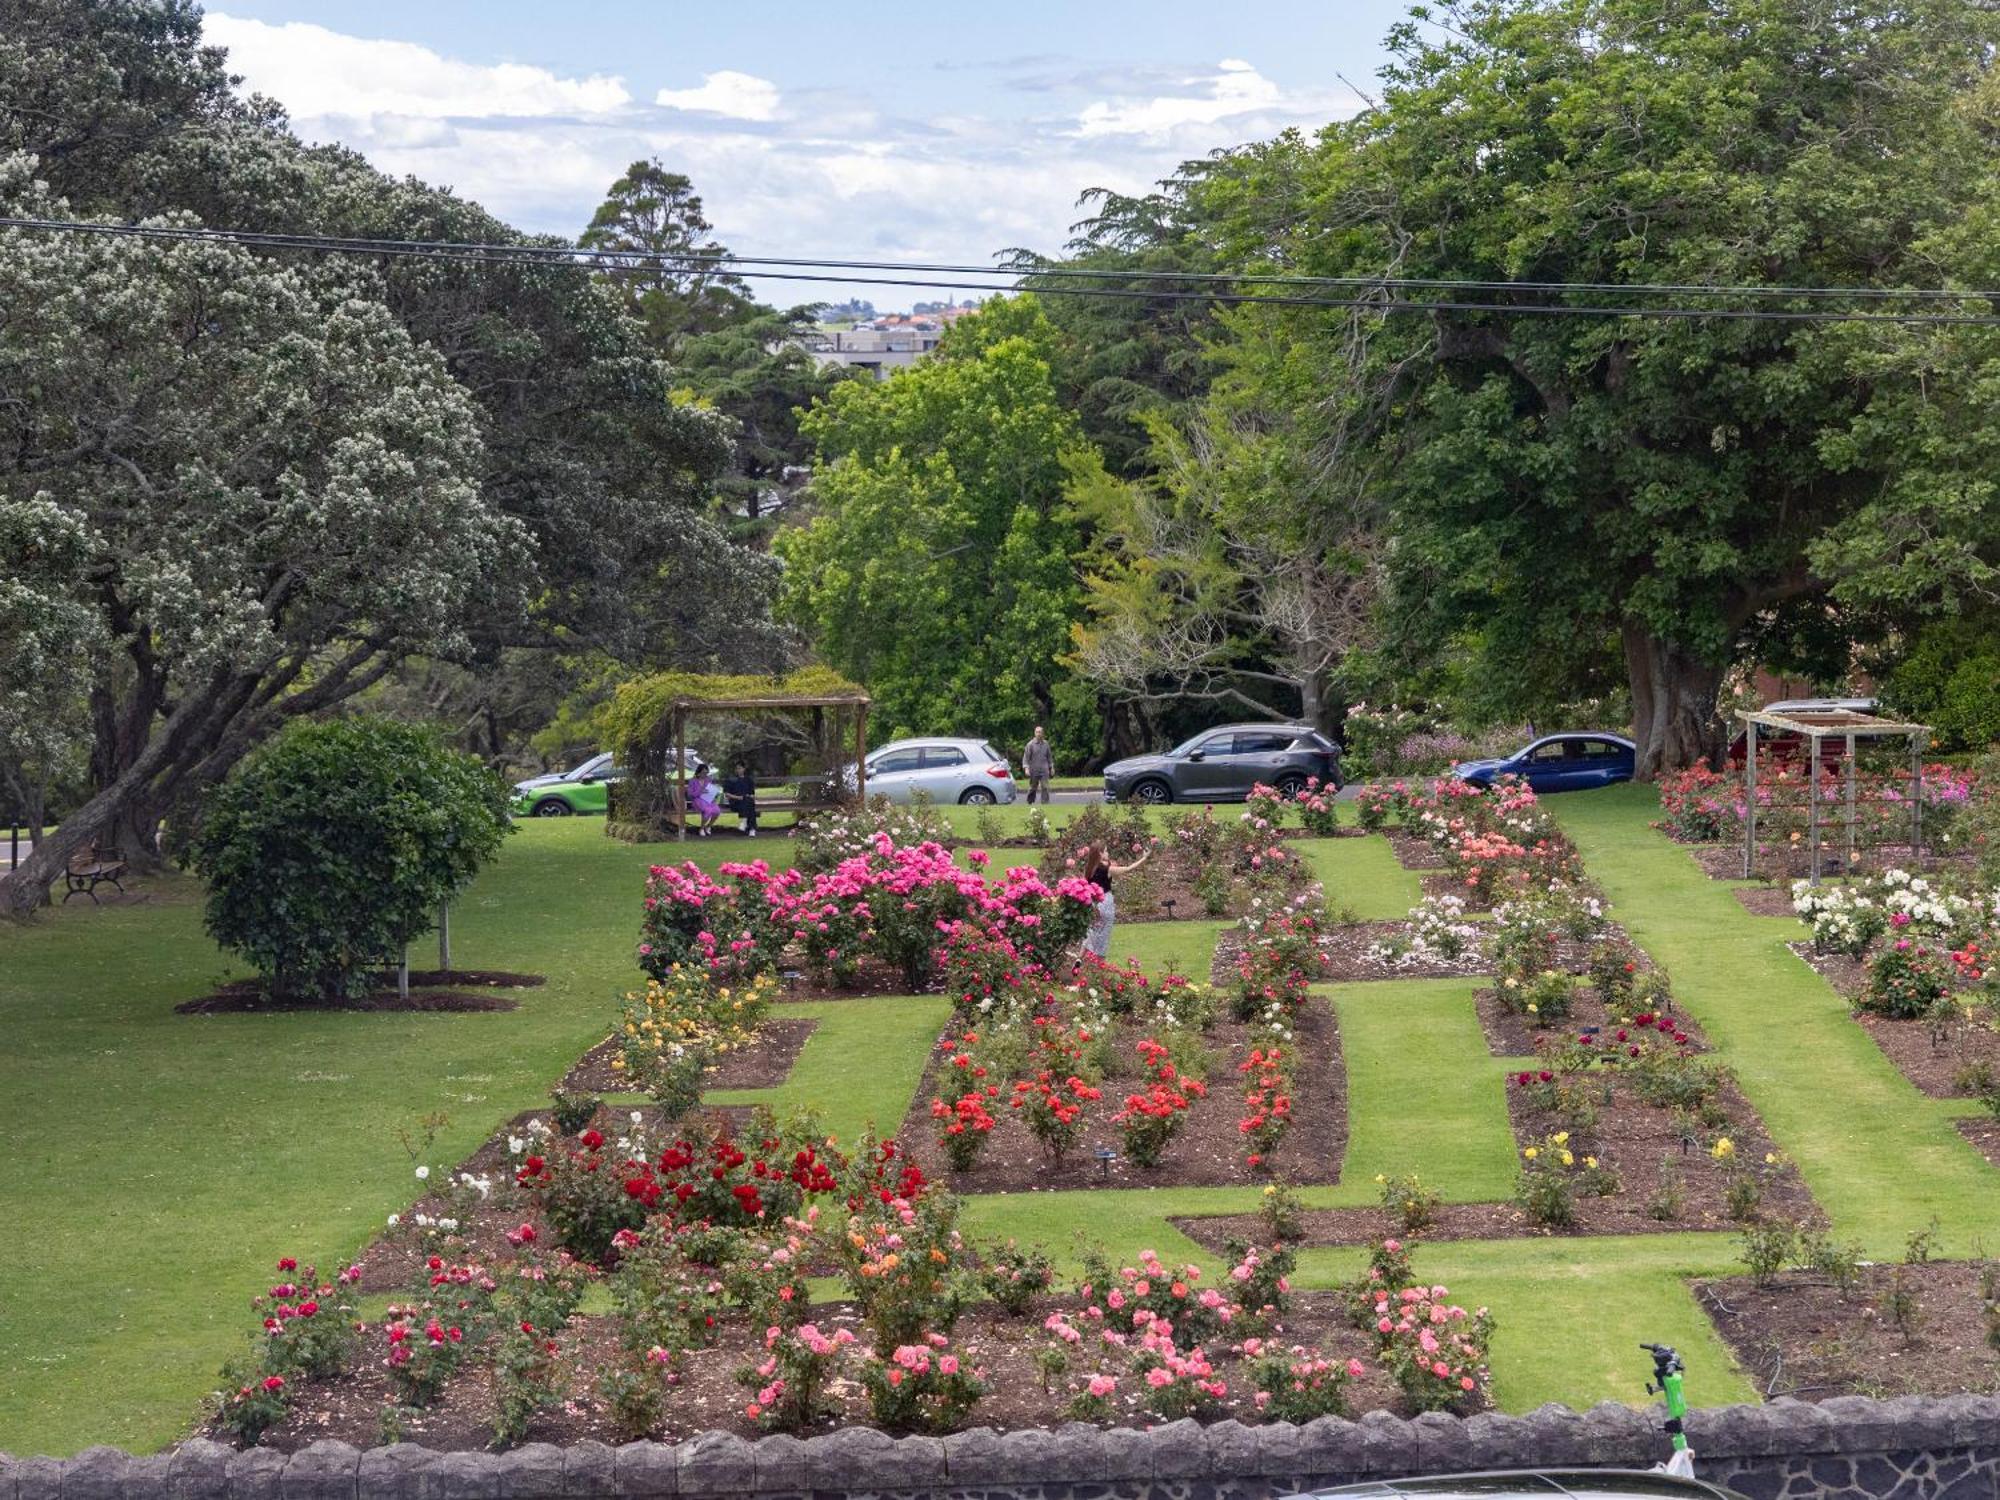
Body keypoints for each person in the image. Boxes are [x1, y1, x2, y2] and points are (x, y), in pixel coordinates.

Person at [1075, 840, 1151, 961]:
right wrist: (1144, 858)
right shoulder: (1107, 870)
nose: (1108, 853)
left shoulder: (1089, 869)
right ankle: (1099, 968)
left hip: (1093, 905)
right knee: (1103, 936)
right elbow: (1128, 869)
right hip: (1106, 903)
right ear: (1100, 853)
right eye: (1106, 851)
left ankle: (1079, 959)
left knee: (1091, 932)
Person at [722, 761, 759, 838]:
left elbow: (752, 794)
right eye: (736, 768)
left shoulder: (748, 780)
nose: (738, 770)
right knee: (749, 804)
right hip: (735, 803)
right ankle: (751, 828)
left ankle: (746, 823)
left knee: (748, 801)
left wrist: (749, 796)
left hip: (746, 802)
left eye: (740, 768)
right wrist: (738, 797)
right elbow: (726, 794)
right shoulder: (731, 780)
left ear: (744, 769)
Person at [686, 763, 722, 837]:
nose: (705, 774)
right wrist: (700, 791)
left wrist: (714, 793)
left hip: (708, 800)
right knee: (707, 810)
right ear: (698, 773)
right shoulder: (693, 781)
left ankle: (708, 826)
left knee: (717, 811)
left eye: (706, 773)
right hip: (697, 800)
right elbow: (690, 795)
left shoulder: (708, 780)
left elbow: (710, 790)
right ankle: (701, 828)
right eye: (703, 773)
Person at [1023, 725, 1055, 804]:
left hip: (1044, 770)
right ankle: (1030, 801)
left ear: (1043, 733)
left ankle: (1045, 803)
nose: (1038, 734)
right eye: (1037, 732)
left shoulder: (1046, 744)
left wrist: (1052, 767)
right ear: (1034, 733)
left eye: (1040, 732)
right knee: (1033, 788)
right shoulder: (1030, 745)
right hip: (1034, 770)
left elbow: (1049, 757)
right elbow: (1026, 758)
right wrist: (1026, 768)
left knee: (1045, 787)